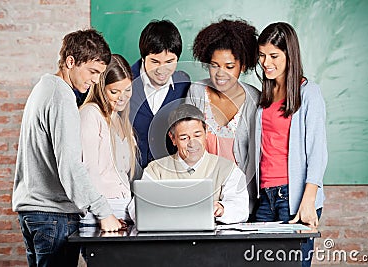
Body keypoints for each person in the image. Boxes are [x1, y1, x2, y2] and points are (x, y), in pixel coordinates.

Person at [12, 29, 124, 267]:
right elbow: (71, 166)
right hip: (53, 216)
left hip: (33, 214)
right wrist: (104, 212)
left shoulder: (43, 88)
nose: (95, 80)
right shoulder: (62, 97)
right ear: (71, 61)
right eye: (92, 72)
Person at [253, 22, 327, 267]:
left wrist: (308, 200)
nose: (266, 63)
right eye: (262, 55)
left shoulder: (309, 93)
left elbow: (317, 151)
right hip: (264, 198)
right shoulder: (263, 96)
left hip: (292, 197)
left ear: (290, 55)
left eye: (274, 56)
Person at [185, 19, 260, 218]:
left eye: (229, 66)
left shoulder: (255, 99)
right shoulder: (196, 91)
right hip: (200, 197)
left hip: (240, 200)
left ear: (242, 66)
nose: (220, 74)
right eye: (214, 65)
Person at [128, 104, 249, 224]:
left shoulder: (227, 169)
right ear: (173, 139)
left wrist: (222, 209)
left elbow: (241, 208)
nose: (192, 143)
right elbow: (136, 208)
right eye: (184, 138)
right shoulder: (155, 170)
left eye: (197, 135)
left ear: (206, 132)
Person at [79, 54, 137, 229]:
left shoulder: (119, 119)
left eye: (127, 90)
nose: (122, 97)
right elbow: (88, 171)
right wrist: (104, 214)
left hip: (122, 210)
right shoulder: (90, 114)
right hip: (102, 213)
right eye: (114, 91)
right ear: (100, 88)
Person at [129, 19, 191, 172]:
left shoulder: (184, 85)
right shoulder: (124, 82)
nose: (162, 69)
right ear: (143, 58)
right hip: (126, 178)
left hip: (168, 178)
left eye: (170, 61)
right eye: (155, 62)